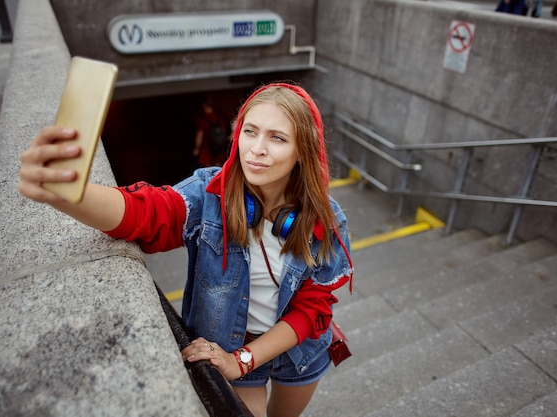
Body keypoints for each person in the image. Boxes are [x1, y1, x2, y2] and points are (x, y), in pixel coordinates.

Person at [19, 82, 354, 417]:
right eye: (250, 132)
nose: (257, 148)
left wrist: (244, 361)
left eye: (277, 138)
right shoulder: (208, 193)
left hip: (299, 354)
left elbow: (313, 308)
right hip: (230, 343)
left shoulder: (327, 219)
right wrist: (69, 193)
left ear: (303, 151)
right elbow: (148, 213)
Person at [193, 97, 230, 167]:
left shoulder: (203, 118)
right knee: (218, 167)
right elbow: (225, 130)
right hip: (220, 145)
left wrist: (197, 148)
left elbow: (200, 134)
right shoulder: (220, 116)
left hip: (207, 147)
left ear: (203, 106)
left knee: (208, 168)